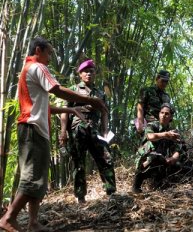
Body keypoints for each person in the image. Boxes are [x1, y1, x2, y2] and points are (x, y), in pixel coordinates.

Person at [0, 37, 108, 232]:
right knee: (32, 177)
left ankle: (33, 223)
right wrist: (91, 100)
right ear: (39, 50)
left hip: (35, 128)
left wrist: (71, 111)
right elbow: (57, 90)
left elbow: (43, 105)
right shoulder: (37, 67)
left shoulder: (28, 70)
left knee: (38, 178)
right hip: (32, 128)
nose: (50, 58)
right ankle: (8, 218)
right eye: (49, 53)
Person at [59, 58, 116, 204]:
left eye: (91, 71)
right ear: (80, 74)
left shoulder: (100, 93)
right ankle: (80, 196)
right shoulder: (73, 90)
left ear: (95, 74)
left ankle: (111, 192)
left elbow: (104, 112)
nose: (89, 74)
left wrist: (105, 130)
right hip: (78, 129)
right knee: (79, 164)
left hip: (95, 130)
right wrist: (63, 132)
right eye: (85, 72)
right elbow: (64, 112)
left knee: (106, 158)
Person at [132, 103, 185, 193]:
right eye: (162, 113)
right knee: (154, 157)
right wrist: (165, 135)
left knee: (180, 164)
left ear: (171, 117)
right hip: (147, 159)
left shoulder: (173, 131)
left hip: (161, 160)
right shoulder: (152, 125)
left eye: (167, 114)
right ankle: (137, 184)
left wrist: (173, 158)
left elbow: (179, 148)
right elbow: (150, 136)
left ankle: (160, 183)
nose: (163, 115)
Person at [135, 70, 171, 134]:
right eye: (163, 81)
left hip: (162, 128)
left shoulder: (167, 96)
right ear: (157, 78)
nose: (164, 84)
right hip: (149, 126)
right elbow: (140, 107)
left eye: (166, 82)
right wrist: (140, 123)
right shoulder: (147, 91)